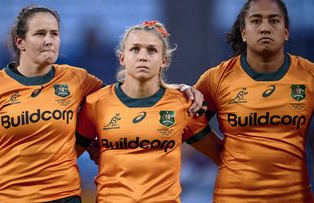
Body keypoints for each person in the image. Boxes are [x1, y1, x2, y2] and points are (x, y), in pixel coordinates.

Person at [0, 6, 206, 203]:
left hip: (63, 196)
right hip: (7, 197)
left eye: (54, 34)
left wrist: (177, 89)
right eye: (40, 34)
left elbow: (129, 91)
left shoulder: (77, 79)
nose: (49, 41)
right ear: (20, 42)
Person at [76, 20, 222, 203]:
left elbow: (222, 156)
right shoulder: (97, 103)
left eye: (151, 50)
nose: (142, 56)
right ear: (122, 57)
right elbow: (65, 156)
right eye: (135, 49)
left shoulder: (182, 104)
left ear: (164, 60)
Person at [194, 0, 314, 202]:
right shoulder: (216, 78)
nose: (265, 28)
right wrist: (222, 154)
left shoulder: (310, 76)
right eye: (256, 21)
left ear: (286, 31)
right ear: (243, 32)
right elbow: (188, 124)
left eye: (274, 21)